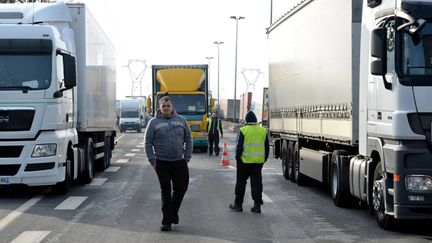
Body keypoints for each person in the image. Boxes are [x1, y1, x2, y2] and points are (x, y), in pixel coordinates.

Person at [144, 96, 192, 231]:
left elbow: (189, 139)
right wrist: (152, 161)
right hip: (162, 163)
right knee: (165, 191)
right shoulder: (153, 123)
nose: (166, 108)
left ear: (172, 107)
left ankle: (172, 213)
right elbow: (147, 142)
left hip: (179, 162)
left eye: (168, 106)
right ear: (160, 107)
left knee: (181, 188)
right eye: (163, 106)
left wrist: (187, 157)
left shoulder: (181, 120)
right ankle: (166, 222)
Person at [229, 111, 269, 213]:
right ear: (255, 120)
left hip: (244, 162)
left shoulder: (243, 130)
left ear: (246, 120)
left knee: (241, 183)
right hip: (258, 163)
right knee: (256, 184)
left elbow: (239, 146)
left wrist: (238, 158)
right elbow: (267, 148)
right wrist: (263, 160)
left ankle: (238, 205)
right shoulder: (263, 131)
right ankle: (257, 206)